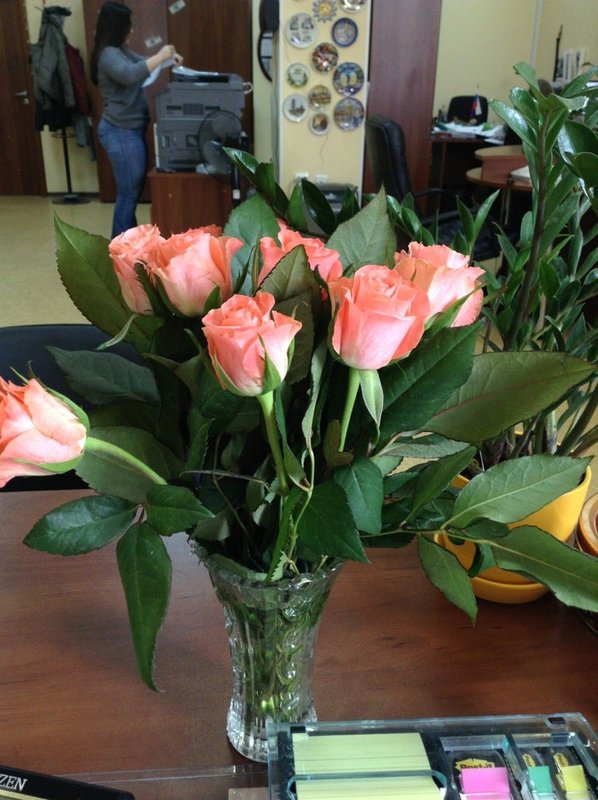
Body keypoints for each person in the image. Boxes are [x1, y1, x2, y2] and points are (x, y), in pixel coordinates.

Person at [90, 1, 182, 237]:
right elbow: (130, 74)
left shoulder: (120, 51)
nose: (131, 30)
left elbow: (142, 64)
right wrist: (160, 55)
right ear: (117, 27)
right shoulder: (108, 54)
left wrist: (168, 58)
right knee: (128, 194)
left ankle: (126, 244)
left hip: (129, 130)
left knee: (131, 192)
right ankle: (121, 245)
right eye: (128, 26)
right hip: (119, 131)